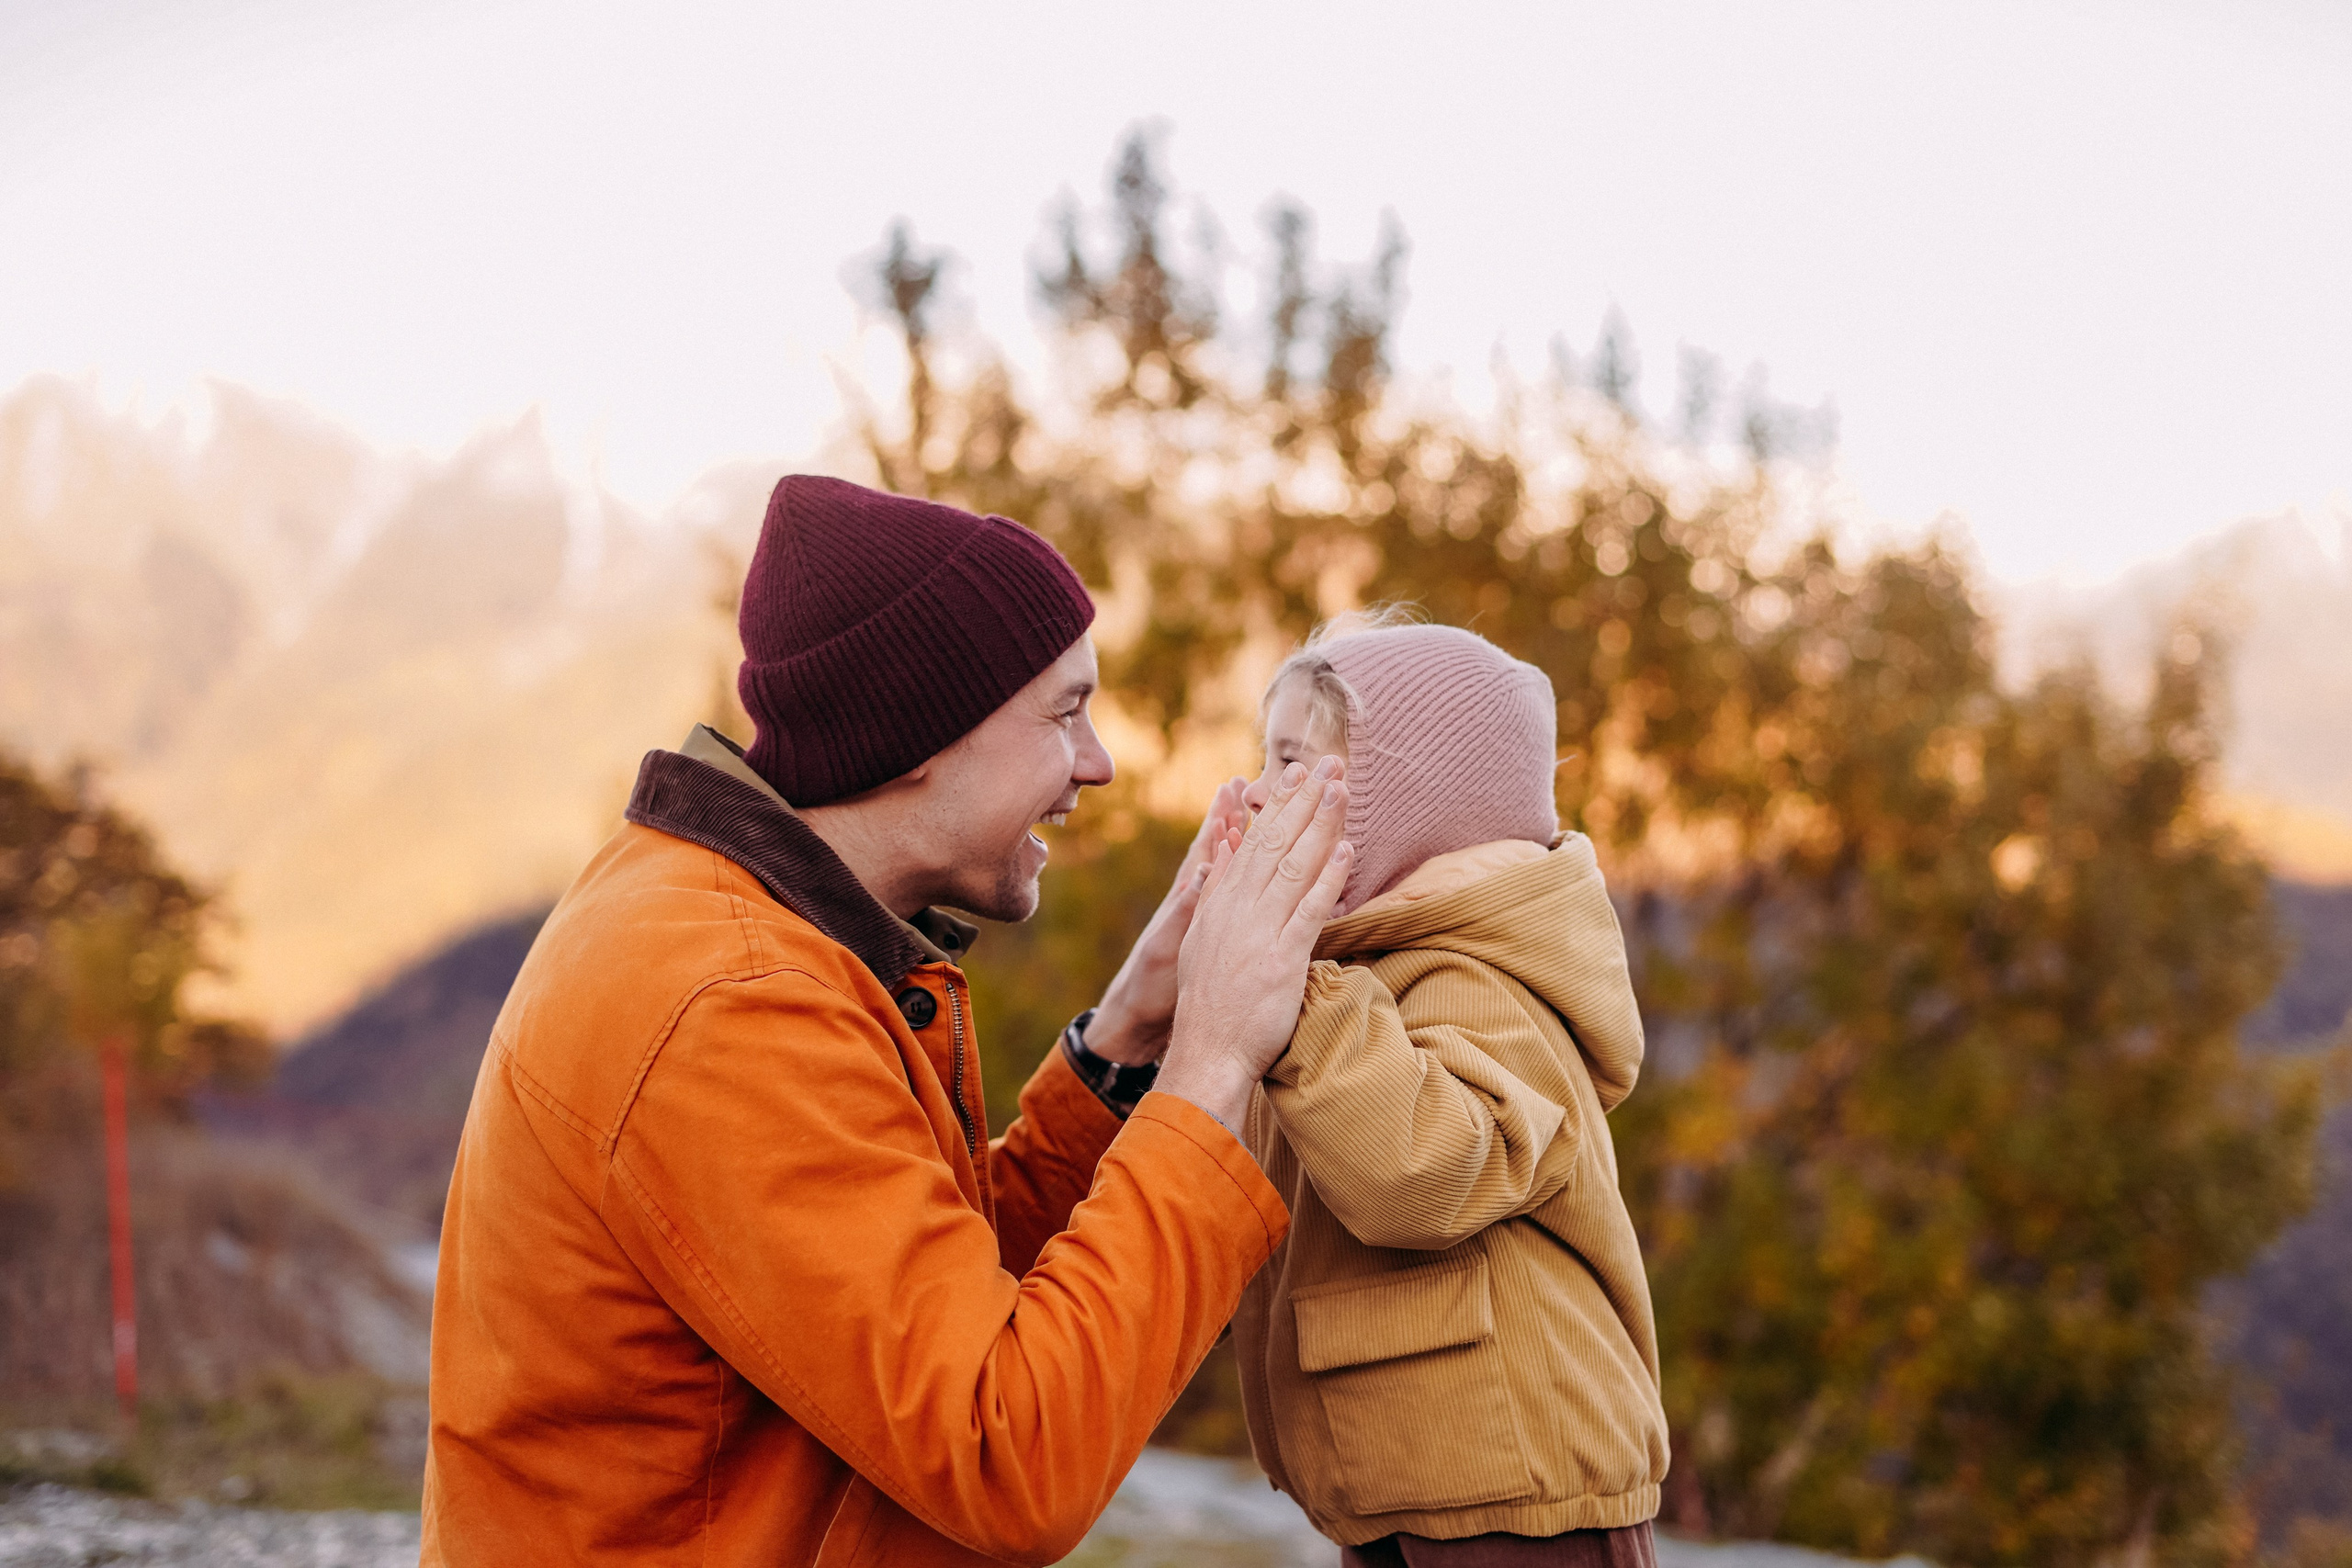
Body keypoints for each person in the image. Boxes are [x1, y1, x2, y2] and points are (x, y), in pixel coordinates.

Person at [420, 476, 1351, 1566]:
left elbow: (914, 1308)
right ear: (919, 732)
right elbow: (1011, 1453)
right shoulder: (730, 1005)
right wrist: (1214, 1061)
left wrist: (1131, 1041)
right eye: (1063, 713)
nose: (1095, 762)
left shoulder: (729, 929)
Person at [1227, 616, 1670, 1568]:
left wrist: (1290, 975)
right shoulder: (1368, 973)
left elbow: (1416, 1171)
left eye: (1289, 762)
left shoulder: (1485, 977)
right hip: (1417, 1470)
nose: (1256, 794)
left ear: (1402, 799)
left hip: (1517, 1487)